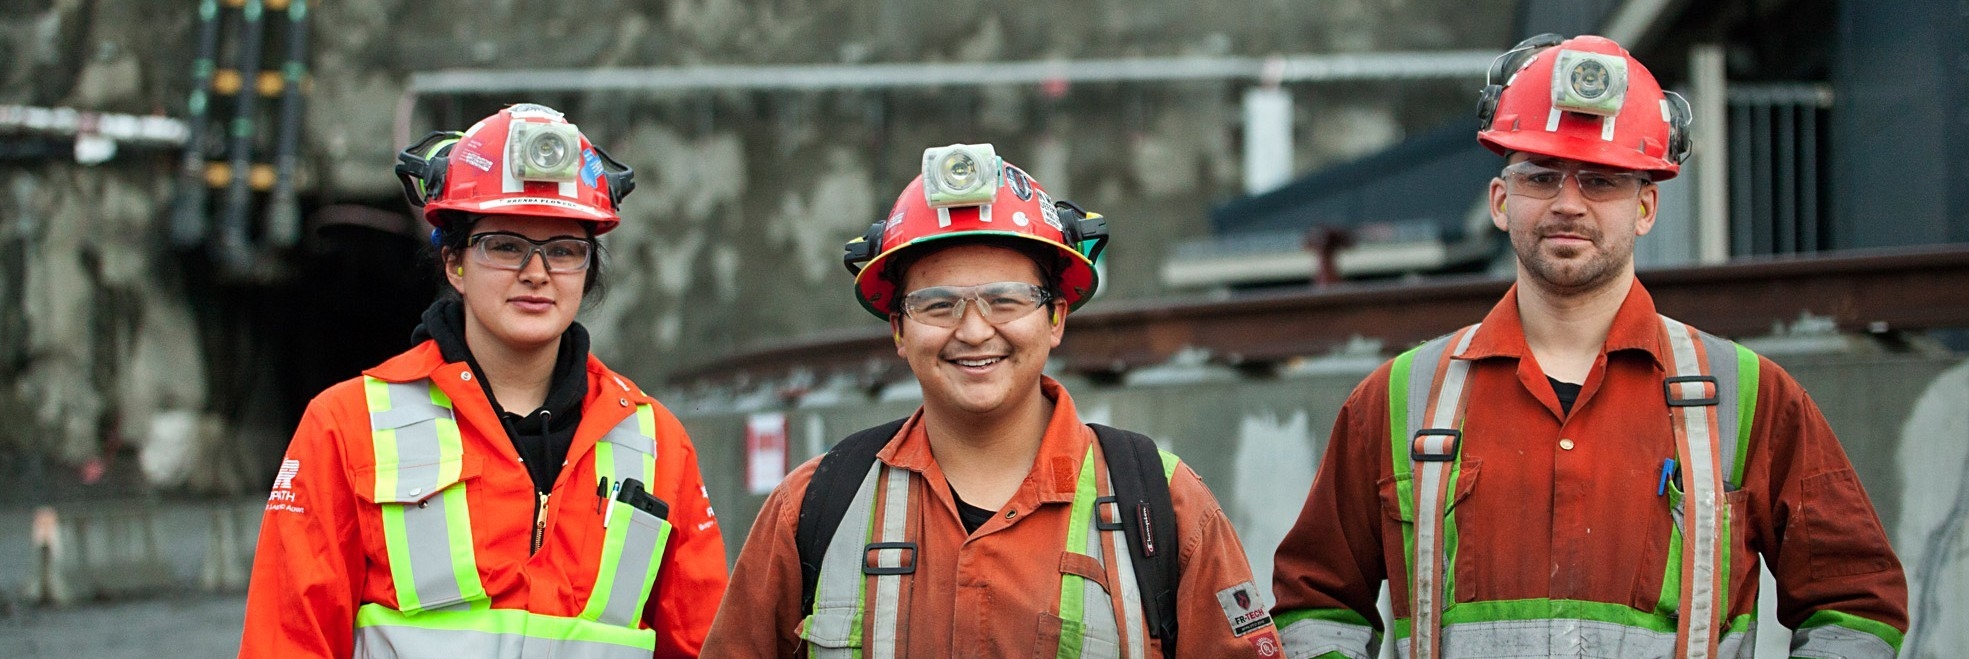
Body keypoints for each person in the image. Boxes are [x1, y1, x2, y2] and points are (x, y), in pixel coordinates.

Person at [1269, 35, 1909, 659]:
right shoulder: (1399, 400)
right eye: (1542, 176)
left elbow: (1855, 602)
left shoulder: (1749, 396)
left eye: (1602, 182)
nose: (1568, 204)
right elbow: (1315, 603)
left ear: (1646, 207)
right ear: (1500, 200)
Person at [702, 144, 1282, 657]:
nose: (975, 331)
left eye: (1006, 300)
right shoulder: (815, 508)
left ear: (1055, 317)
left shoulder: (1163, 507)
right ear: (898, 330)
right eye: (937, 305)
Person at [239, 104, 728, 658]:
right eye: (505, 245)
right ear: (454, 264)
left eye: (565, 250)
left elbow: (704, 643)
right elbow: (288, 641)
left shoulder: (655, 442)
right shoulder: (349, 426)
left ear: (589, 269)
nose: (536, 272)